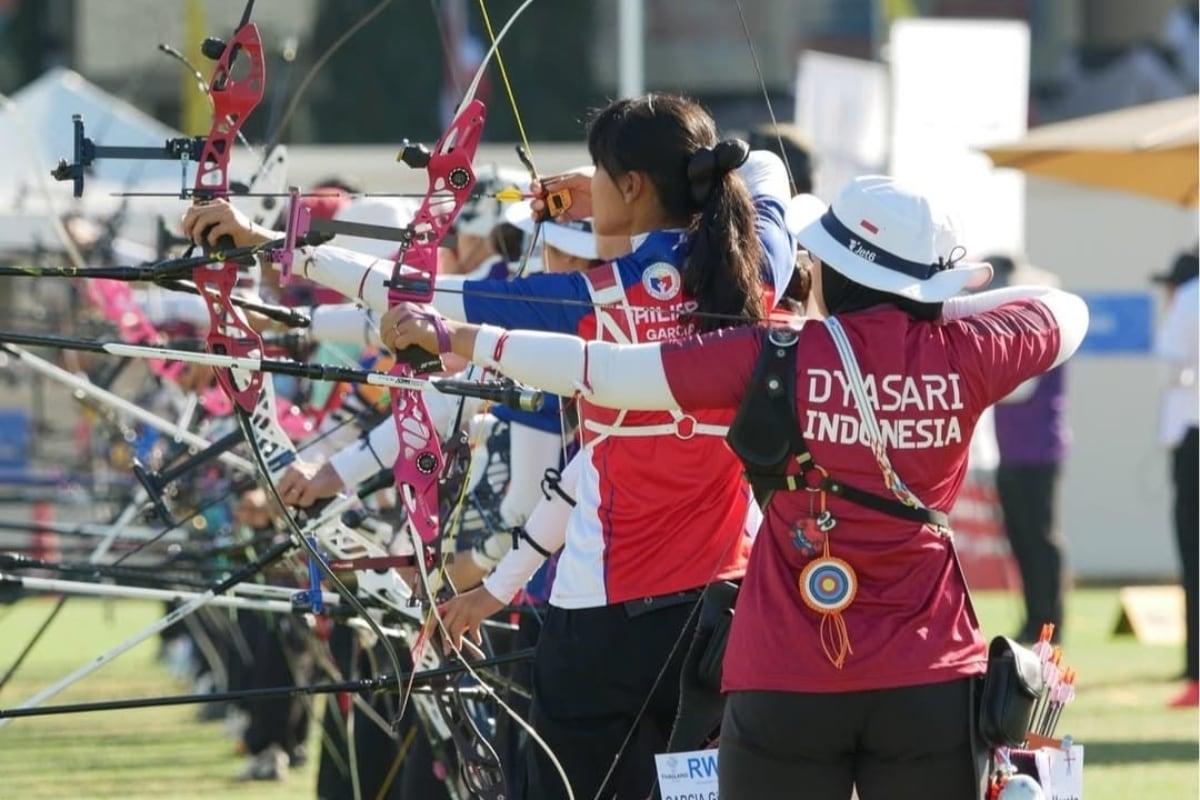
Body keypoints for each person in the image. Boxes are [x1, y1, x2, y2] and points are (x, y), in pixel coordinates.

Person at [383, 175, 1090, 800]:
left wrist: (457, 337)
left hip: (787, 675)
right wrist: (923, 309)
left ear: (828, 269)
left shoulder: (774, 352)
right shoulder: (969, 351)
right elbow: (1063, 309)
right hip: (928, 673)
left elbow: (603, 372)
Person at [179, 92, 796, 799]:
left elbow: (406, 290)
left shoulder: (599, 298)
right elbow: (767, 168)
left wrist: (265, 240)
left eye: (601, 173)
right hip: (719, 610)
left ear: (631, 186)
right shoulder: (758, 270)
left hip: (603, 622)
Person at [985, 254, 1070, 643]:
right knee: (1021, 539)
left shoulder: (1045, 338)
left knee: (1040, 539)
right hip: (1012, 451)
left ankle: (1049, 620)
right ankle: (1034, 618)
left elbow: (1019, 390)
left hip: (1038, 452)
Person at [1152, 249, 1199, 708]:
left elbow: (1168, 370)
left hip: (1194, 438)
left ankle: (1197, 671)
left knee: (1195, 555)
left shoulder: (1190, 298)